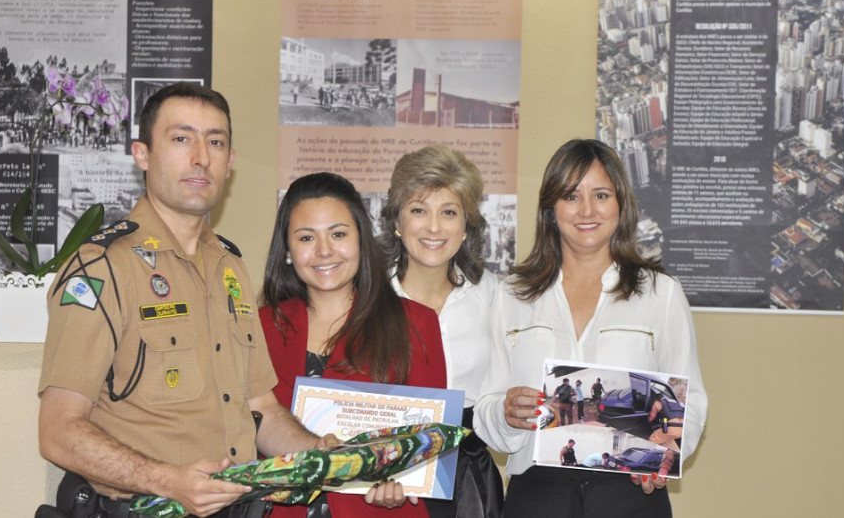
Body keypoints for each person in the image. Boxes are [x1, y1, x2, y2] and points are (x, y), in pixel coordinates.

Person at [37, 83, 327, 518]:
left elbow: (261, 409)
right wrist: (170, 482)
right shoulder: (103, 268)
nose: (200, 157)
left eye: (215, 142)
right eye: (181, 138)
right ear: (142, 154)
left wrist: (325, 455)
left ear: (230, 162)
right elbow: (58, 431)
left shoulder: (230, 266)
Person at [473, 139, 707, 517]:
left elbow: (690, 400)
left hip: (629, 491)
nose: (586, 210)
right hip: (537, 493)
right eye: (570, 196)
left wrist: (667, 453)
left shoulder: (661, 293)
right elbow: (486, 404)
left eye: (600, 194)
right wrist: (504, 413)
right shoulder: (511, 295)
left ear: (620, 205)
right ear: (551, 209)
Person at [259, 171, 448, 517]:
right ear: (287, 250)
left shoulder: (415, 323)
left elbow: (429, 440)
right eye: (305, 238)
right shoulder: (258, 327)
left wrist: (403, 480)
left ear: (361, 238)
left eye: (338, 234)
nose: (324, 251)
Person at [379, 145, 504, 518]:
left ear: (466, 227)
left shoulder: (494, 295)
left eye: (449, 212)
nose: (434, 227)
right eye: (419, 210)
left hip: (469, 478)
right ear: (397, 222)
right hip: (388, 475)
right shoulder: (369, 297)